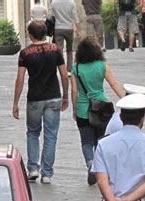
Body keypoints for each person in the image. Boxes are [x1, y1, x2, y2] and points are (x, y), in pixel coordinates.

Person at [12, 20, 69, 184]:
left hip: (35, 98)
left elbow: (20, 79)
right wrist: (65, 95)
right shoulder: (55, 49)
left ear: (30, 34)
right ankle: (47, 173)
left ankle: (33, 169)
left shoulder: (25, 53)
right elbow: (64, 75)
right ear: (45, 33)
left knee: (32, 133)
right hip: (53, 96)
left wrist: (16, 102)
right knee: (51, 135)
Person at [71, 37, 125, 185]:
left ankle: (90, 163)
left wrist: (74, 109)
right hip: (102, 108)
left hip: (83, 109)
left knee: (86, 141)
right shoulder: (103, 66)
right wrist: (125, 99)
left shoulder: (76, 68)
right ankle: (99, 167)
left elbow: (74, 91)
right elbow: (113, 84)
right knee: (100, 140)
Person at [49, 0, 81, 72]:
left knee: (59, 50)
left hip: (58, 28)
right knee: (69, 50)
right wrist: (78, 30)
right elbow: (75, 17)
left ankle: (61, 69)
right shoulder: (71, 2)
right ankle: (69, 70)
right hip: (69, 28)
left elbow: (50, 16)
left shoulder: (53, 2)